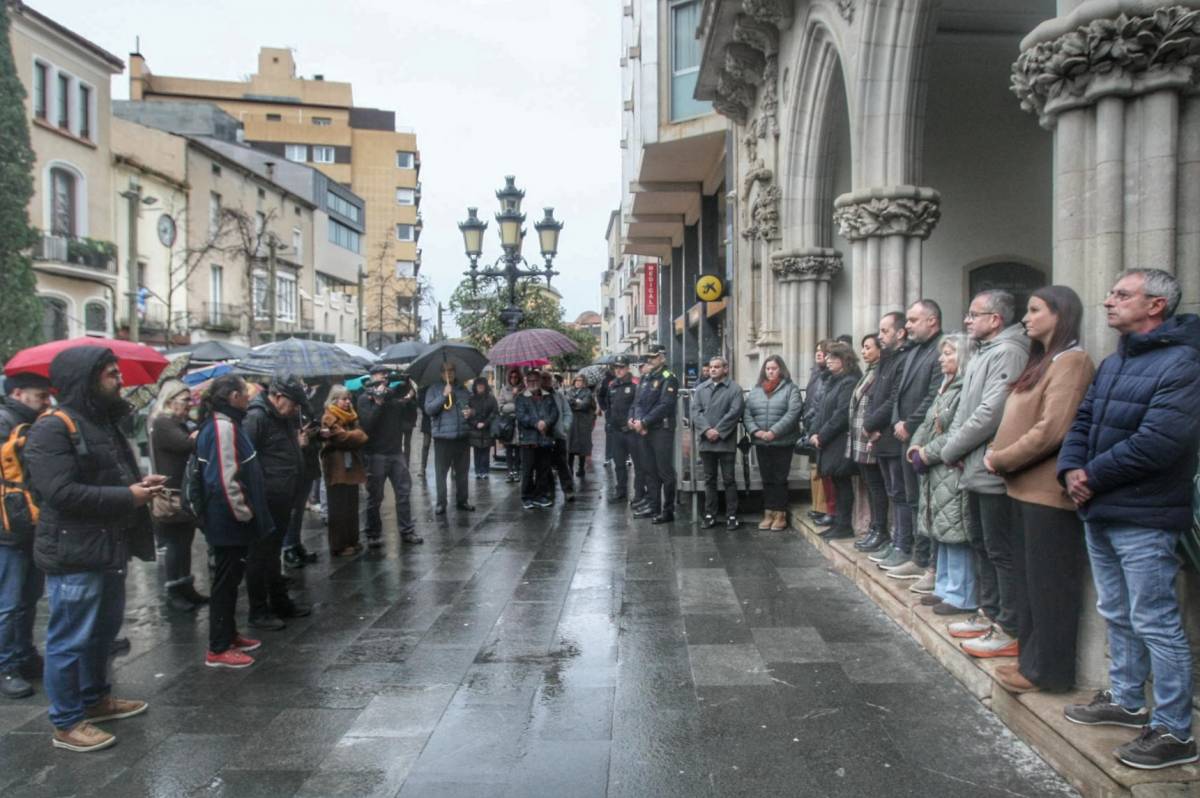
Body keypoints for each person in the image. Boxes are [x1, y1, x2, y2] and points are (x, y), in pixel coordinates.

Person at [1058, 269, 1200, 770]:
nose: (1108, 301)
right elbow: (1084, 419)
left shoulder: (1183, 363)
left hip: (1145, 511)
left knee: (1155, 620)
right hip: (1099, 504)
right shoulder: (1119, 360)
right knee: (1116, 610)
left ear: (1156, 305)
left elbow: (1161, 442)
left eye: (1122, 294)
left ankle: (1175, 730)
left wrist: (1089, 476)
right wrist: (1070, 469)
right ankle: (1125, 698)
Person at [24, 346, 159, 752]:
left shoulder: (100, 422)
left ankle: (96, 699)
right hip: (74, 552)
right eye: (111, 374)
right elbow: (60, 492)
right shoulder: (52, 427)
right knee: (70, 638)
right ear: (87, 379)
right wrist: (129, 497)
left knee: (102, 631)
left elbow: (111, 475)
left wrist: (141, 487)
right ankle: (66, 722)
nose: (120, 380)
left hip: (107, 547)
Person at [984, 286, 1094, 695]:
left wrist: (1001, 458)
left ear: (1060, 314)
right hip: (1021, 490)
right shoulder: (1044, 361)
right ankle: (1029, 662)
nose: (1026, 318)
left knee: (1050, 588)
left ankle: (1049, 671)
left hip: (1046, 493)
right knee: (1031, 586)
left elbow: (1053, 429)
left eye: (1034, 310)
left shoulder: (1073, 361)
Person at [937, 290, 1030, 657]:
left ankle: (1008, 625)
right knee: (981, 543)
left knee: (999, 549)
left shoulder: (1009, 352)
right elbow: (964, 411)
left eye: (975, 314)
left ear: (996, 320)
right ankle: (988, 612)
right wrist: (957, 448)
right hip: (972, 463)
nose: (967, 320)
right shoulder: (984, 351)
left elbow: (992, 411)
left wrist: (953, 447)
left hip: (992, 468)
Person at [194, 375, 272, 670]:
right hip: (227, 521)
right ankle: (218, 647)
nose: (250, 398)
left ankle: (229, 633)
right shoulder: (222, 427)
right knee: (225, 583)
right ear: (233, 397)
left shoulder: (227, 424)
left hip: (229, 520)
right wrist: (244, 513)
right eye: (245, 393)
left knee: (230, 580)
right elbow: (224, 480)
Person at [908, 334, 974, 613]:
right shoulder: (945, 388)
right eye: (942, 353)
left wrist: (926, 453)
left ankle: (960, 594)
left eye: (948, 353)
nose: (941, 358)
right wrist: (915, 444)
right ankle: (944, 587)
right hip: (936, 472)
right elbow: (927, 422)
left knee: (955, 531)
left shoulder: (964, 389)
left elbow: (955, 432)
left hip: (950, 469)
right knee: (941, 529)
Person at [242, 376, 313, 630]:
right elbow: (247, 459)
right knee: (259, 556)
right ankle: (258, 610)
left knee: (273, 555)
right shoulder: (257, 417)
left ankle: (280, 602)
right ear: (279, 397)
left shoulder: (283, 417)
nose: (296, 410)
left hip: (283, 495)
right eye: (294, 404)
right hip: (266, 499)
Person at [885, 300, 945, 582]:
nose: (907, 325)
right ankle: (917, 557)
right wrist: (897, 420)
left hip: (924, 438)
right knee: (911, 500)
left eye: (912, 320)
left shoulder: (940, 349)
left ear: (932, 321)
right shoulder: (912, 352)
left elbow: (934, 395)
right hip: (904, 436)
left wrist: (909, 425)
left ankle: (930, 562)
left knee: (926, 502)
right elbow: (898, 392)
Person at [0, 372, 51, 699]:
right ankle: (6, 665)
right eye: (40, 395)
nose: (46, 401)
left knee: (28, 597)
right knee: (10, 601)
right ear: (18, 393)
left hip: (27, 523)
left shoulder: (32, 423)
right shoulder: (6, 422)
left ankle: (24, 654)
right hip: (9, 528)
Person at [147, 380, 208, 612]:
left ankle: (185, 586)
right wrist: (197, 435)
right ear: (170, 401)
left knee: (184, 542)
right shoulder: (163, 422)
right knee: (175, 543)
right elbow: (185, 445)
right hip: (170, 492)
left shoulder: (176, 422)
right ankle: (174, 590)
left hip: (181, 490)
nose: (189, 404)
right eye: (185, 400)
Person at [864, 313, 910, 568]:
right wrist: (870, 426)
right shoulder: (885, 360)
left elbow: (895, 398)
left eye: (884, 331)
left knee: (900, 493)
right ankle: (895, 541)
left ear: (900, 332)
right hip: (880, 436)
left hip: (892, 437)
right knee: (893, 493)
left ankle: (903, 545)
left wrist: (872, 424)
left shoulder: (903, 360)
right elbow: (874, 397)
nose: (879, 336)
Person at [357, 366, 422, 546]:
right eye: (380, 374)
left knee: (403, 492)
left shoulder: (392, 395)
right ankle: (372, 534)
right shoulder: (365, 399)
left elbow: (408, 420)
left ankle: (407, 530)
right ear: (372, 378)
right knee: (375, 497)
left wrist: (410, 399)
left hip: (395, 452)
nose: (384, 377)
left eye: (386, 375)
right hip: (375, 454)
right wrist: (378, 403)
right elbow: (367, 425)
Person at [744, 354, 803, 531]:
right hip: (761, 442)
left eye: (774, 368)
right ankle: (768, 513)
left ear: (781, 369)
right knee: (766, 478)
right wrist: (756, 431)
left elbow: (793, 412)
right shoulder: (755, 391)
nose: (770, 372)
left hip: (782, 441)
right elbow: (747, 413)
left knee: (779, 478)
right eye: (768, 369)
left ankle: (780, 514)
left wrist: (774, 432)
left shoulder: (791, 389)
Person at [808, 343, 860, 540]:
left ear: (844, 360)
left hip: (838, 440)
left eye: (833, 357)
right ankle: (838, 522)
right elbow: (821, 409)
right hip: (827, 440)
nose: (828, 360)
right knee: (836, 483)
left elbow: (841, 414)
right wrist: (813, 432)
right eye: (827, 357)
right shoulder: (833, 380)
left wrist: (822, 435)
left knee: (842, 482)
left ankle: (844, 524)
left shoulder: (848, 381)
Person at [691, 356, 745, 530]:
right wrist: (707, 430)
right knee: (709, 479)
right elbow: (695, 412)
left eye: (717, 367)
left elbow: (735, 412)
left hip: (725, 441)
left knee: (729, 479)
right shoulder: (700, 389)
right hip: (706, 442)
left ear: (725, 369)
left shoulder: (735, 389)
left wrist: (719, 431)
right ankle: (710, 514)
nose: (713, 369)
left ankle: (731, 515)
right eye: (711, 367)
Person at [848, 335, 888, 554]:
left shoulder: (880, 373)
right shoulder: (869, 372)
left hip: (871, 438)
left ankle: (880, 529)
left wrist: (872, 429)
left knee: (876, 486)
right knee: (871, 486)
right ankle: (874, 527)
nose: (863, 351)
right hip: (860, 438)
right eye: (862, 347)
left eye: (867, 347)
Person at [630, 345, 679, 523]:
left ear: (662, 358)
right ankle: (653, 505)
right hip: (644, 429)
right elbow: (637, 403)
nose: (650, 359)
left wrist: (644, 422)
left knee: (664, 471)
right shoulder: (646, 377)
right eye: (649, 356)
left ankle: (668, 511)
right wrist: (634, 419)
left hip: (661, 430)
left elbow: (665, 405)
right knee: (649, 470)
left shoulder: (669, 378)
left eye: (654, 356)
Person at [321, 386, 369, 556]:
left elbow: (362, 436)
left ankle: (352, 540)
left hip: (351, 468)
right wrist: (355, 435)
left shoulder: (351, 417)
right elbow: (342, 438)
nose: (348, 402)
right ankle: (338, 545)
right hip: (336, 469)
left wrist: (354, 435)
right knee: (338, 509)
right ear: (334, 400)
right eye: (344, 399)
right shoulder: (329, 416)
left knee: (351, 506)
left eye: (349, 398)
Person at [424, 363, 474, 515]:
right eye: (445, 370)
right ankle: (441, 503)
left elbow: (470, 407)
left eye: (451, 370)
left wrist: (471, 412)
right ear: (441, 374)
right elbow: (429, 409)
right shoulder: (433, 389)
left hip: (462, 436)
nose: (449, 373)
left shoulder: (463, 389)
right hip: (443, 438)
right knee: (441, 473)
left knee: (462, 472)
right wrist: (444, 395)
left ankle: (462, 501)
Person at [283, 387, 322, 569]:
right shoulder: (282, 416)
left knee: (298, 510)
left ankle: (296, 543)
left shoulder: (305, 410)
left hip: (308, 464)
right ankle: (288, 547)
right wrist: (297, 441)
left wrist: (314, 433)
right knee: (291, 511)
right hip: (293, 469)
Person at [802, 341, 836, 524]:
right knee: (816, 469)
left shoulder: (829, 376)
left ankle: (826, 507)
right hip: (813, 425)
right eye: (816, 350)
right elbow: (811, 399)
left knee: (825, 471)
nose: (818, 354)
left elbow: (820, 403)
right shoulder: (817, 374)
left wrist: (814, 423)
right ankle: (818, 505)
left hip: (822, 427)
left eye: (823, 351)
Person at [515, 369, 558, 509]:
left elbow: (554, 413)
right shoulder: (521, 398)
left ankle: (540, 495)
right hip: (528, 440)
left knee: (543, 469)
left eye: (536, 380)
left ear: (540, 381)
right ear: (526, 382)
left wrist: (546, 422)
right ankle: (526, 497)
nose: (533, 383)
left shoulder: (549, 396)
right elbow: (521, 417)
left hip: (545, 439)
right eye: (530, 381)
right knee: (527, 470)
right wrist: (536, 423)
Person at [604, 357, 637, 502]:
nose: (618, 370)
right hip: (616, 431)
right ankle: (621, 492)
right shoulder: (612, 385)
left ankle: (640, 494)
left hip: (631, 431)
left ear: (628, 368)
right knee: (619, 464)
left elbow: (638, 406)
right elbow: (608, 405)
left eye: (621, 367)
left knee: (640, 465)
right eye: (616, 367)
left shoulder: (635, 384)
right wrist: (609, 422)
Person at [542, 372, 576, 501]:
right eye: (543, 379)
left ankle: (568, 490)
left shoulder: (558, 396)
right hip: (544, 435)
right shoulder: (537, 396)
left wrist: (565, 427)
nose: (546, 381)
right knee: (545, 464)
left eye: (548, 379)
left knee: (562, 463)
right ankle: (550, 491)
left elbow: (567, 412)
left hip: (558, 435)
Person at [467, 377, 498, 480]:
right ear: (475, 387)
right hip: (475, 429)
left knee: (485, 450)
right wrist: (476, 424)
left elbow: (494, 412)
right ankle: (478, 471)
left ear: (485, 386)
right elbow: (468, 414)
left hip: (487, 428)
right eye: (478, 385)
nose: (480, 387)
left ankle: (485, 471)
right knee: (477, 451)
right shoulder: (471, 399)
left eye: (482, 385)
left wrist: (485, 423)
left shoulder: (491, 398)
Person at [567, 375, 597, 478]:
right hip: (572, 423)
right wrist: (577, 402)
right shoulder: (570, 391)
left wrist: (575, 403)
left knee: (582, 446)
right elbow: (568, 402)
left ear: (584, 382)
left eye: (580, 380)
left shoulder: (587, 392)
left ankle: (581, 468)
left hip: (583, 423)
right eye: (576, 380)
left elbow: (584, 405)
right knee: (570, 446)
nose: (578, 382)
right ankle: (569, 468)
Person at [497, 368, 524, 482]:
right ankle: (509, 472)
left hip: (519, 424)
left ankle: (517, 471)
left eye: (516, 377)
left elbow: (524, 406)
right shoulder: (504, 389)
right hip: (508, 424)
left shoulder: (523, 389)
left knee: (518, 449)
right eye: (512, 377)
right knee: (508, 449)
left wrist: (516, 396)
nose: (513, 379)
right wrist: (513, 405)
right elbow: (501, 407)